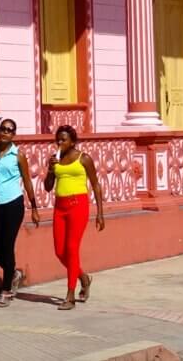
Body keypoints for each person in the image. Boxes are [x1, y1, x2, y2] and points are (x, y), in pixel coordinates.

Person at [0, 118, 40, 307]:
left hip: (13, 203)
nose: (5, 132)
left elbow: (27, 181)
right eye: (2, 129)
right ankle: (13, 273)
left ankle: (6, 290)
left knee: (7, 244)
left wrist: (34, 207)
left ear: (14, 134)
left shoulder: (18, 156)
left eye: (9, 130)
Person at [44, 124, 105, 310]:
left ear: (72, 141)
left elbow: (95, 184)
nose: (60, 143)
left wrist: (100, 213)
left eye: (64, 139)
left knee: (71, 248)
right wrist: (50, 169)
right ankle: (83, 278)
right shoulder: (56, 160)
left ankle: (70, 295)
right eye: (58, 139)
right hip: (60, 207)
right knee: (59, 251)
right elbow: (47, 187)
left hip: (78, 206)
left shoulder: (83, 158)